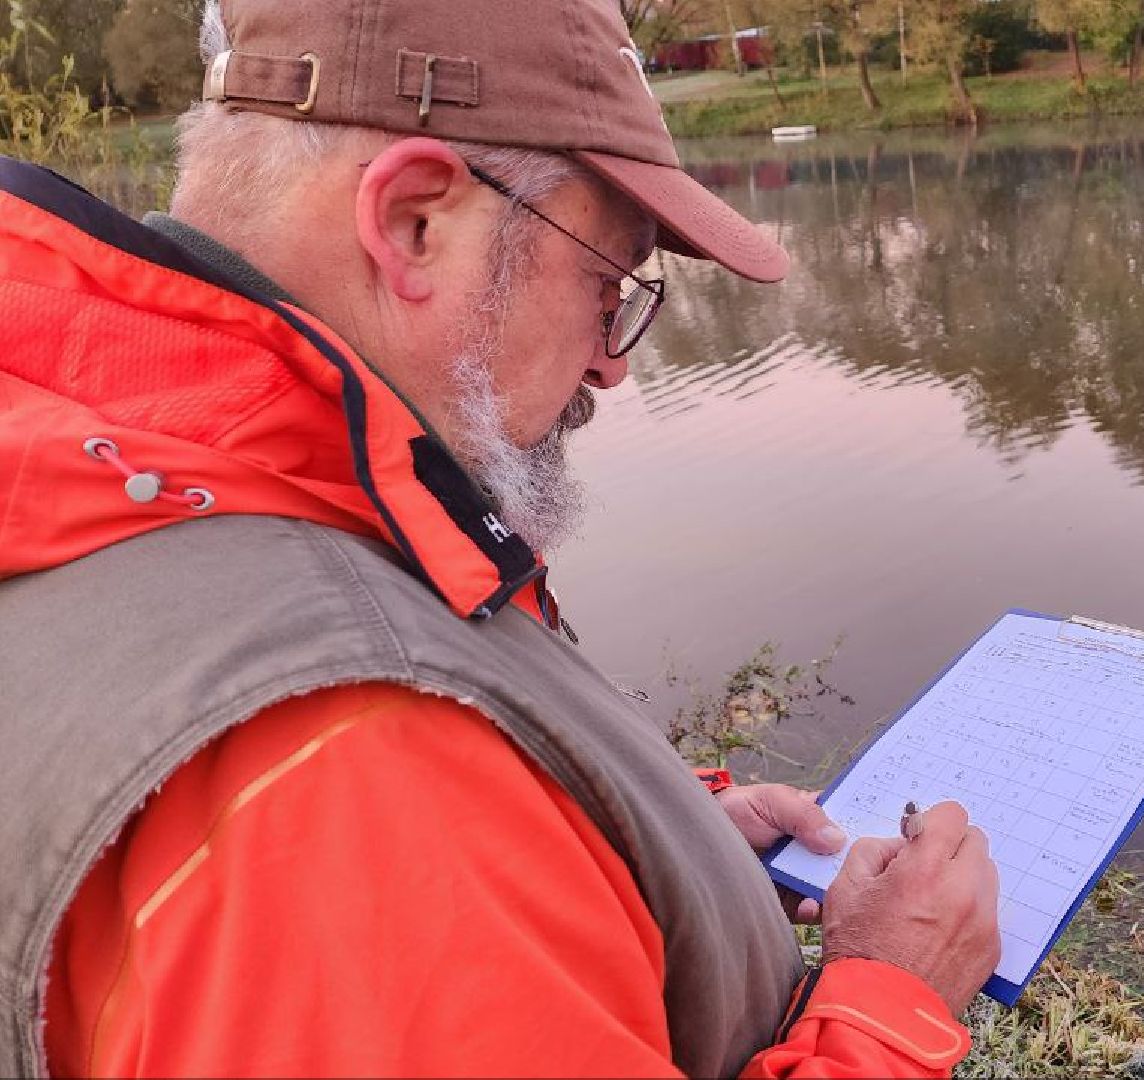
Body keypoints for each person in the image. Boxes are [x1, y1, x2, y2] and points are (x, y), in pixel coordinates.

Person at [0, 0, 1002, 1075]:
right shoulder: (355, 759)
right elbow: (387, 865)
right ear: (414, 222)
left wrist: (664, 837)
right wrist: (888, 1004)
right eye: (608, 280)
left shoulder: (133, 473)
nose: (614, 362)